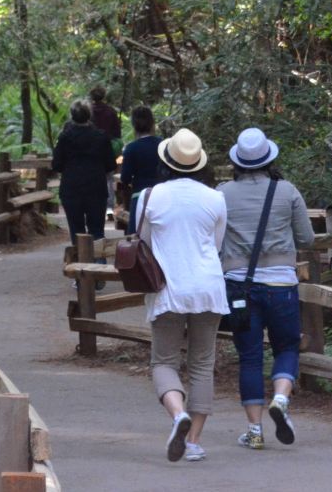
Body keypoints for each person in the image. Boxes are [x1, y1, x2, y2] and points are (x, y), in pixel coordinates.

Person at [219, 128, 314, 449]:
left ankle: (255, 431)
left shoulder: (223, 194)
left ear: (238, 162)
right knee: (287, 347)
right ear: (269, 158)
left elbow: (214, 240)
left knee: (249, 357)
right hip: (281, 285)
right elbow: (307, 239)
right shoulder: (287, 191)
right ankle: (281, 400)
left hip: (239, 289)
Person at [138, 128, 227, 463]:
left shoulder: (150, 196)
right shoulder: (215, 198)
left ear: (167, 161)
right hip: (208, 287)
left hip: (168, 289)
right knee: (203, 363)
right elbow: (216, 246)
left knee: (163, 361)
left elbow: (144, 243)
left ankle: (178, 415)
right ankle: (193, 442)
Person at [51, 99, 115, 248]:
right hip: (96, 189)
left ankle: (80, 266)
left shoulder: (65, 138)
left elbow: (57, 165)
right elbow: (110, 164)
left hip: (71, 189)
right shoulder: (101, 137)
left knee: (76, 231)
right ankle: (99, 266)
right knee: (97, 232)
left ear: (72, 116)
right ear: (89, 115)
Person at [118, 105, 165, 232]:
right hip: (162, 196)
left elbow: (125, 178)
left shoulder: (131, 148)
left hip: (139, 196)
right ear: (152, 123)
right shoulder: (162, 145)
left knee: (135, 236)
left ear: (134, 125)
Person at [89, 86, 124, 221]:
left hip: (91, 150)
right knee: (108, 178)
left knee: (92, 178)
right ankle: (109, 208)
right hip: (108, 149)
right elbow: (117, 133)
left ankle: (94, 207)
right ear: (104, 96)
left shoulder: (88, 112)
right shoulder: (111, 112)